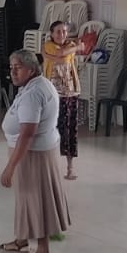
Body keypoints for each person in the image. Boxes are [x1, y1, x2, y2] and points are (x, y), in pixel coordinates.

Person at [0, 49, 70, 253]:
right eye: (11, 67)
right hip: (36, 150)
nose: (13, 72)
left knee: (36, 201)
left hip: (33, 154)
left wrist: (10, 166)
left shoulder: (33, 94)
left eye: (18, 68)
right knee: (25, 198)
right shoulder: (38, 84)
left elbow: (27, 134)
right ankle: (22, 240)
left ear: (31, 70)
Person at [42, 21, 84, 180]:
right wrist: (78, 48)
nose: (62, 35)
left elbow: (64, 57)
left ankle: (70, 167)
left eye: (64, 31)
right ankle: (49, 167)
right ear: (52, 34)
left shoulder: (69, 45)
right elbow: (61, 55)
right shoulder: (48, 45)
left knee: (70, 129)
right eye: (58, 32)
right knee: (51, 128)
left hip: (70, 92)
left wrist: (51, 56)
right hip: (53, 94)